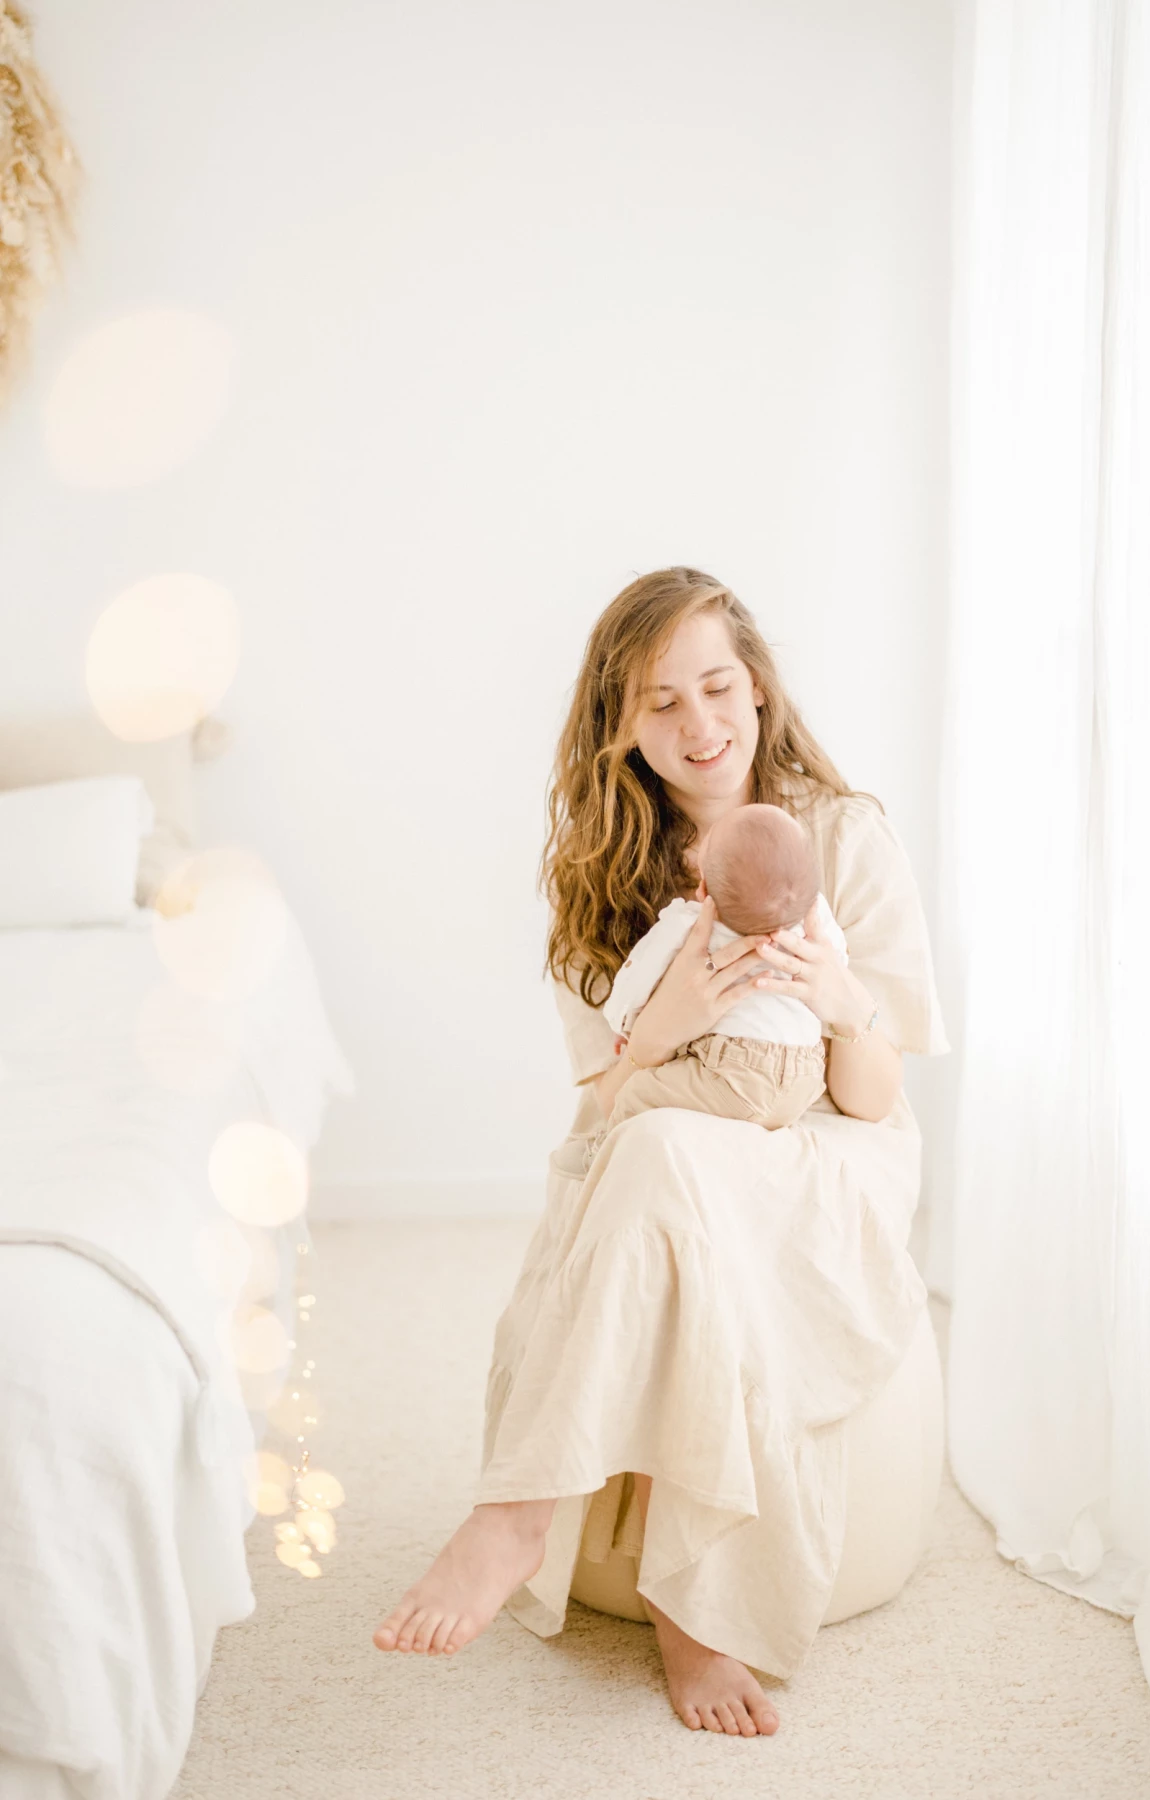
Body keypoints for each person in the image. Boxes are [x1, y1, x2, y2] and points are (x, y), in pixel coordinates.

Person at [374, 566, 950, 1739]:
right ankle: (686, 1611)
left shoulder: (845, 838)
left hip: (828, 1147)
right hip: (666, 1141)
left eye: (718, 686)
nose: (700, 726)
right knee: (657, 1157)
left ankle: (518, 1517)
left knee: (662, 1161)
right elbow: (606, 1108)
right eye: (660, 702)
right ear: (619, 726)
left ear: (759, 688)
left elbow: (875, 1100)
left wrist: (838, 998)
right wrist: (670, 1021)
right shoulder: (604, 881)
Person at [589, 803, 848, 1154]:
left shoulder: (690, 923)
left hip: (733, 1071)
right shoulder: (816, 924)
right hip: (805, 1076)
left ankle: (600, 1153)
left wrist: (626, 1022)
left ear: (704, 890)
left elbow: (638, 976)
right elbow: (837, 964)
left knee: (639, 1094)